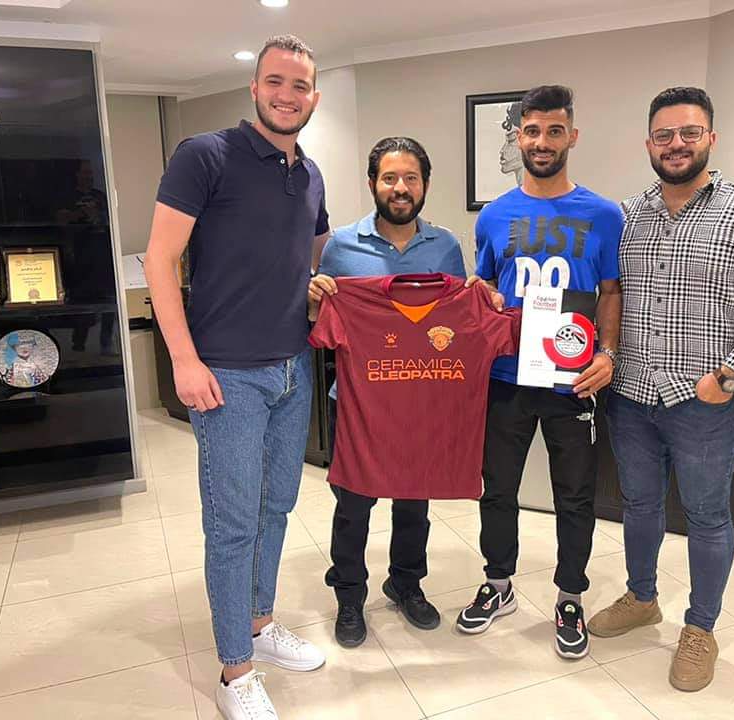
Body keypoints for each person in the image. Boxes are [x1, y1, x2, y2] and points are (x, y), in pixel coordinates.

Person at [587, 87, 734, 692]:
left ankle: (700, 628)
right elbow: (611, 294)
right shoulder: (628, 215)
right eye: (664, 135)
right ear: (648, 143)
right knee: (639, 506)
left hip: (705, 402)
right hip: (632, 394)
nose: (675, 144)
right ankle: (642, 597)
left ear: (711, 138)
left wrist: (729, 373)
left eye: (689, 133)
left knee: (707, 517)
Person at [144, 35, 330, 720]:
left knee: (275, 508)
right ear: (255, 88)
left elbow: (305, 256)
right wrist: (183, 360)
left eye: (300, 85)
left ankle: (258, 621)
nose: (287, 95)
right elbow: (160, 260)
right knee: (232, 524)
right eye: (275, 81)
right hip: (226, 376)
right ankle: (235, 671)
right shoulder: (205, 155)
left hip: (291, 369)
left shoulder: (310, 174)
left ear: (314, 97)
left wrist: (314, 286)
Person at [457, 85, 623, 661]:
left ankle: (570, 595)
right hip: (506, 375)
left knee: (574, 495)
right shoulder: (495, 215)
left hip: (571, 377)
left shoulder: (604, 214)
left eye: (554, 131)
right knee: (497, 488)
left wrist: (607, 353)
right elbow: (485, 287)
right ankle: (498, 583)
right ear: (519, 137)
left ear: (572, 136)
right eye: (532, 131)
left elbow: (610, 291)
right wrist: (480, 296)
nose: (543, 141)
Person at [307, 137, 480, 649]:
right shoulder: (342, 246)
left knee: (413, 503)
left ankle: (406, 584)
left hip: (420, 401)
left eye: (410, 178)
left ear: (425, 185)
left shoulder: (445, 246)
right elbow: (321, 321)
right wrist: (315, 296)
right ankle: (349, 596)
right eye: (389, 178)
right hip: (357, 404)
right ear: (372, 184)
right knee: (353, 506)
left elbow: (455, 320)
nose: (400, 188)